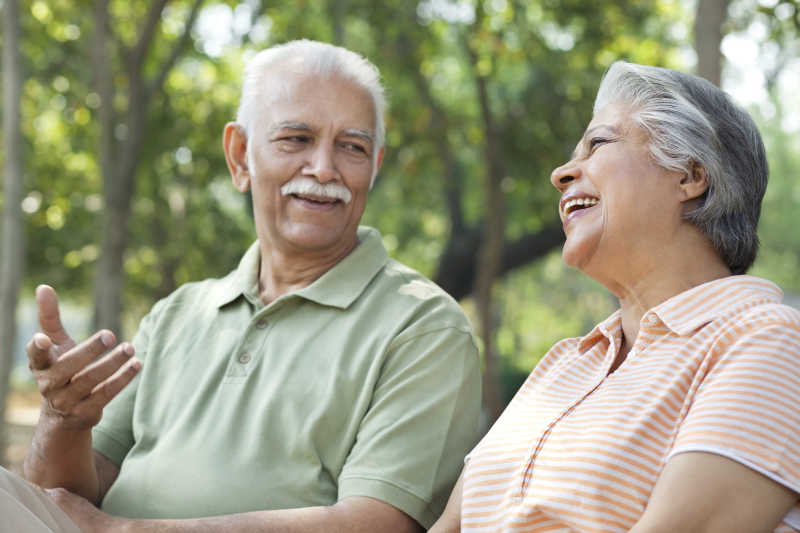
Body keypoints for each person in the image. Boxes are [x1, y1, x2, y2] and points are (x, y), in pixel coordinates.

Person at [2, 39, 481, 532]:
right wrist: (64, 420)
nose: (322, 168)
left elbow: (377, 524)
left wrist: (123, 531)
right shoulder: (177, 314)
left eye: (352, 147)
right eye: (295, 139)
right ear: (239, 156)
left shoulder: (424, 328)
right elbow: (58, 501)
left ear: (374, 167)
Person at [430, 61, 800, 532]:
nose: (561, 173)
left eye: (598, 144)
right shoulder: (563, 363)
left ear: (689, 175)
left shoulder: (768, 341)